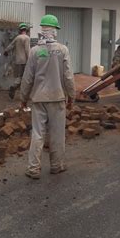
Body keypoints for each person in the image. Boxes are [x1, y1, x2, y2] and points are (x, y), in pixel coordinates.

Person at [20, 14, 75, 179]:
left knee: (37, 134)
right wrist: (71, 96)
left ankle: (33, 169)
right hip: (57, 98)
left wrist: (23, 98)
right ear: (55, 31)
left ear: (42, 30)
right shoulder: (62, 50)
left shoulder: (35, 51)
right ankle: (57, 166)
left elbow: (27, 77)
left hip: (38, 99)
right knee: (57, 134)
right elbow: (68, 77)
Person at [4, 22, 31, 99]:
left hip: (17, 61)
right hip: (25, 61)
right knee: (24, 78)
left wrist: (6, 51)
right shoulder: (27, 38)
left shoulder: (17, 37)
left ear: (20, 30)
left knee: (19, 76)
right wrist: (30, 60)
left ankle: (15, 87)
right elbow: (27, 50)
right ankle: (15, 87)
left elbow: (11, 46)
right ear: (26, 30)